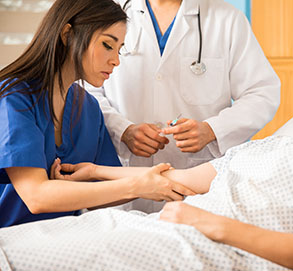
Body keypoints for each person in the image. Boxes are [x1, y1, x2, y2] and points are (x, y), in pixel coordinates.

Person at [1, 65, 293, 271]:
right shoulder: (273, 147)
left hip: (203, 246)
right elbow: (178, 180)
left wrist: (207, 224)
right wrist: (95, 171)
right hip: (160, 229)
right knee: (22, 244)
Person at [0, 0, 194, 228]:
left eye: (120, 49)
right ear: (67, 34)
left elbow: (101, 193)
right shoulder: (14, 97)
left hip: (58, 238)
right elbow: (36, 197)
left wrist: (161, 180)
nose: (116, 60)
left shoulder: (87, 107)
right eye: (107, 45)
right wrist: (137, 185)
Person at [87, 0, 281, 212]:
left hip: (196, 182)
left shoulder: (226, 19)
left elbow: (262, 93)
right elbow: (87, 88)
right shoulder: (107, 11)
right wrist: (122, 130)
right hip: (124, 174)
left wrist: (212, 130)